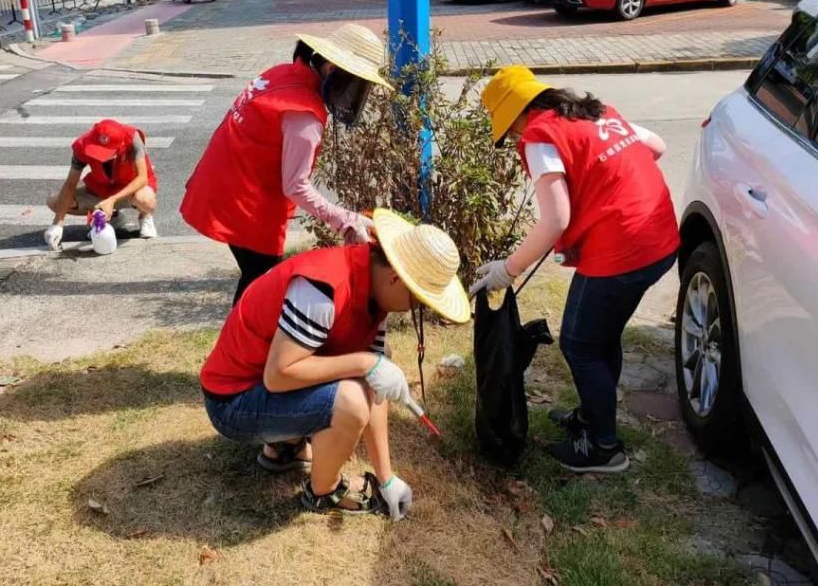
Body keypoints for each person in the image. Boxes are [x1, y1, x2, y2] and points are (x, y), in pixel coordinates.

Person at [471, 66, 679, 474]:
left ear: (516, 115)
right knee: (602, 337)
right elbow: (658, 146)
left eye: (508, 130)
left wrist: (507, 270)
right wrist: (606, 188)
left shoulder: (539, 136)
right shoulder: (595, 112)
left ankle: (604, 448)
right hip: (660, 240)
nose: (512, 139)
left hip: (621, 252)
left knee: (580, 345)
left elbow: (556, 220)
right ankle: (591, 417)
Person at [200, 208, 471, 518]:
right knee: (352, 401)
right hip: (233, 403)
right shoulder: (322, 289)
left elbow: (375, 384)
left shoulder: (374, 288)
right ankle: (323, 492)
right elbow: (278, 375)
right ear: (396, 277)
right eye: (418, 299)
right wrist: (365, 362)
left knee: (374, 370)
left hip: (258, 387)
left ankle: (284, 448)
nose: (416, 308)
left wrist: (387, 478)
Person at [180, 24, 392, 304]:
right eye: (354, 82)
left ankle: (242, 342)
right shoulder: (303, 113)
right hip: (245, 201)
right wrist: (345, 221)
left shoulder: (280, 74)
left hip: (223, 184)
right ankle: (242, 345)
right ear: (331, 69)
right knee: (262, 289)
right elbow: (296, 185)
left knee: (257, 281)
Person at [45, 119, 159, 250]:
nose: (100, 157)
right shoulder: (82, 145)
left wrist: (112, 200)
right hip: (101, 189)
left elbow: (142, 178)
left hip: (131, 188)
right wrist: (57, 224)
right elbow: (70, 184)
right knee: (55, 202)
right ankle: (113, 217)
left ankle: (145, 216)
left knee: (146, 200)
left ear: (120, 145)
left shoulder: (133, 138)